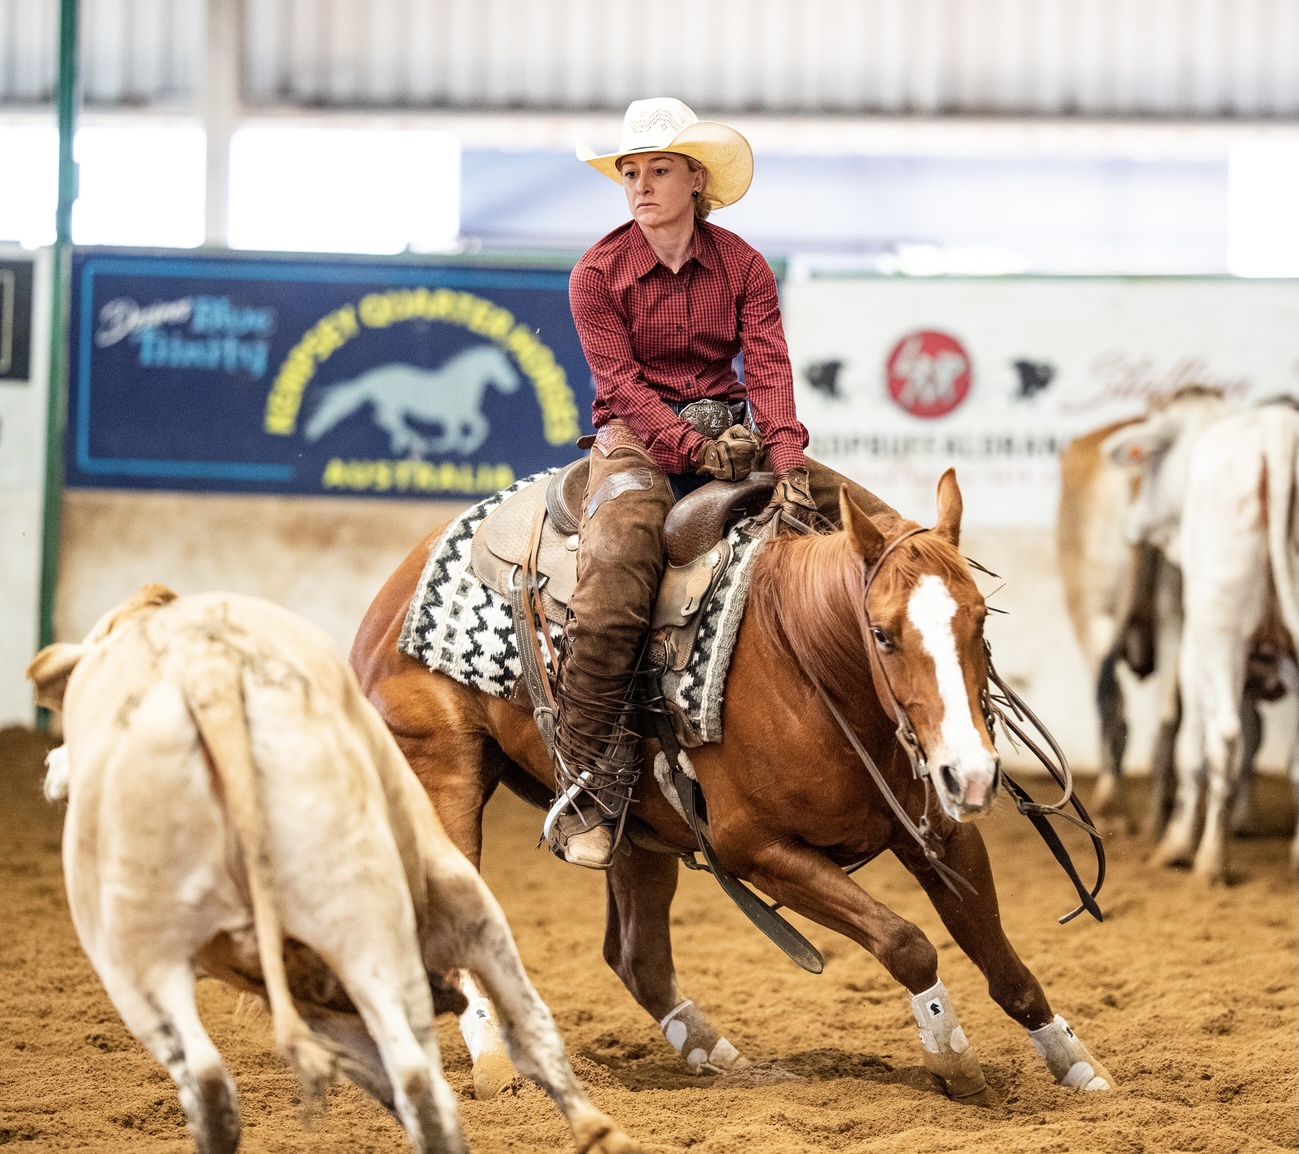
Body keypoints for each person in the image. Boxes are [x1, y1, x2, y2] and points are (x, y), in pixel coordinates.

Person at [547, 97, 890, 869]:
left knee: (887, 531)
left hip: (731, 435)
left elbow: (767, 366)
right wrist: (690, 450)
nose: (640, 186)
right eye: (629, 172)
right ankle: (588, 784)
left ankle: (928, 725)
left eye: (658, 170)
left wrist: (787, 463)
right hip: (636, 445)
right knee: (614, 579)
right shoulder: (596, 274)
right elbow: (620, 385)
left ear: (695, 179)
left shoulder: (742, 265)